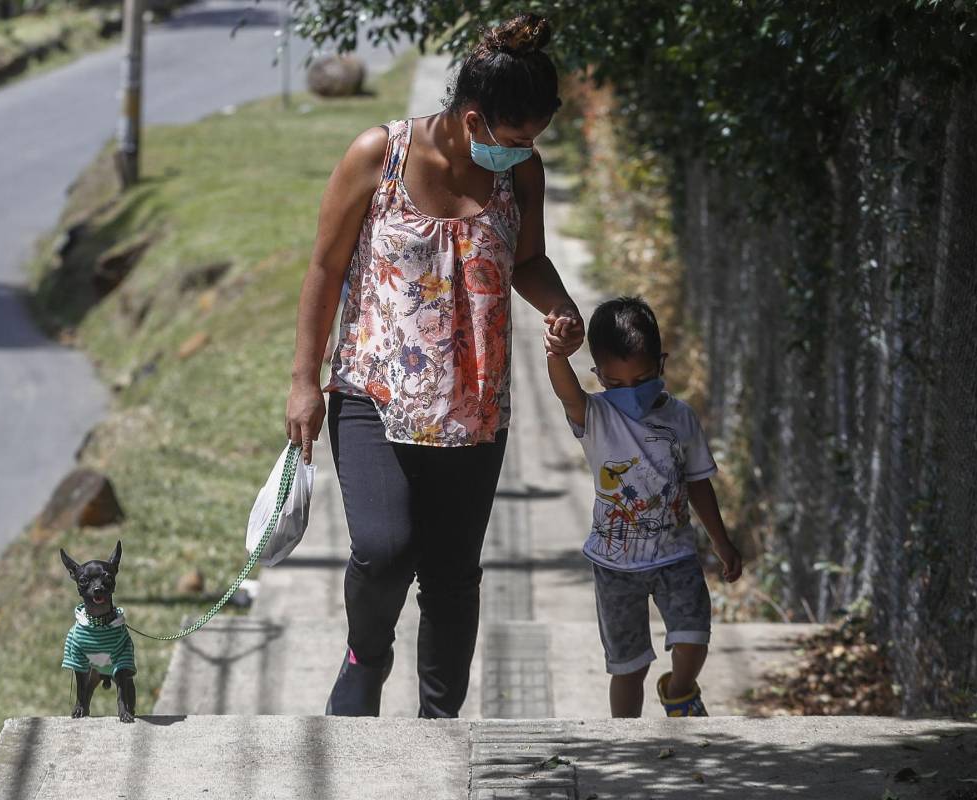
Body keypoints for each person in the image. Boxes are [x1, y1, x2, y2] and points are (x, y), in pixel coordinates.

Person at [284, 14, 584, 719]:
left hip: (475, 404)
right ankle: (366, 654)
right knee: (386, 549)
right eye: (515, 139)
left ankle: (441, 724)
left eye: (534, 140)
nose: (525, 152)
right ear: (474, 117)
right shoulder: (377, 156)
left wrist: (559, 305)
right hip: (374, 392)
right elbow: (325, 269)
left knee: (452, 578)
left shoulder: (522, 176)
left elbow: (528, 260)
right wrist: (304, 382)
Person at [544, 297, 743, 717]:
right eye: (615, 383)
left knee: (693, 636)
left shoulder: (681, 418)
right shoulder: (595, 415)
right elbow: (565, 392)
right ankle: (626, 739)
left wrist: (721, 542)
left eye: (644, 378)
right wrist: (557, 355)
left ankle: (679, 689)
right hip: (614, 565)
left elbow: (699, 484)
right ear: (598, 376)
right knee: (628, 666)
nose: (630, 392)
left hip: (676, 554)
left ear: (662, 364)